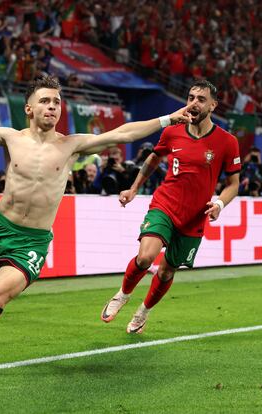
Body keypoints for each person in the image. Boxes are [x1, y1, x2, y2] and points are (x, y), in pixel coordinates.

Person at [0, 76, 192, 379]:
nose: (52, 107)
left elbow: (124, 133)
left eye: (57, 102)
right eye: (46, 101)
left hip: (32, 242)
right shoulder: (11, 138)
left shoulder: (71, 145)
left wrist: (167, 118)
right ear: (29, 108)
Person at [101, 79, 241, 334]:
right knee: (145, 257)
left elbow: (234, 183)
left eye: (200, 99)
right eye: (190, 98)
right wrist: (133, 188)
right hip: (165, 205)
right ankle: (122, 294)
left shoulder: (227, 141)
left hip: (195, 217)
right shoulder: (172, 131)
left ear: (213, 105)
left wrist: (220, 203)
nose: (193, 103)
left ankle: (143, 311)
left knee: (166, 272)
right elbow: (154, 158)